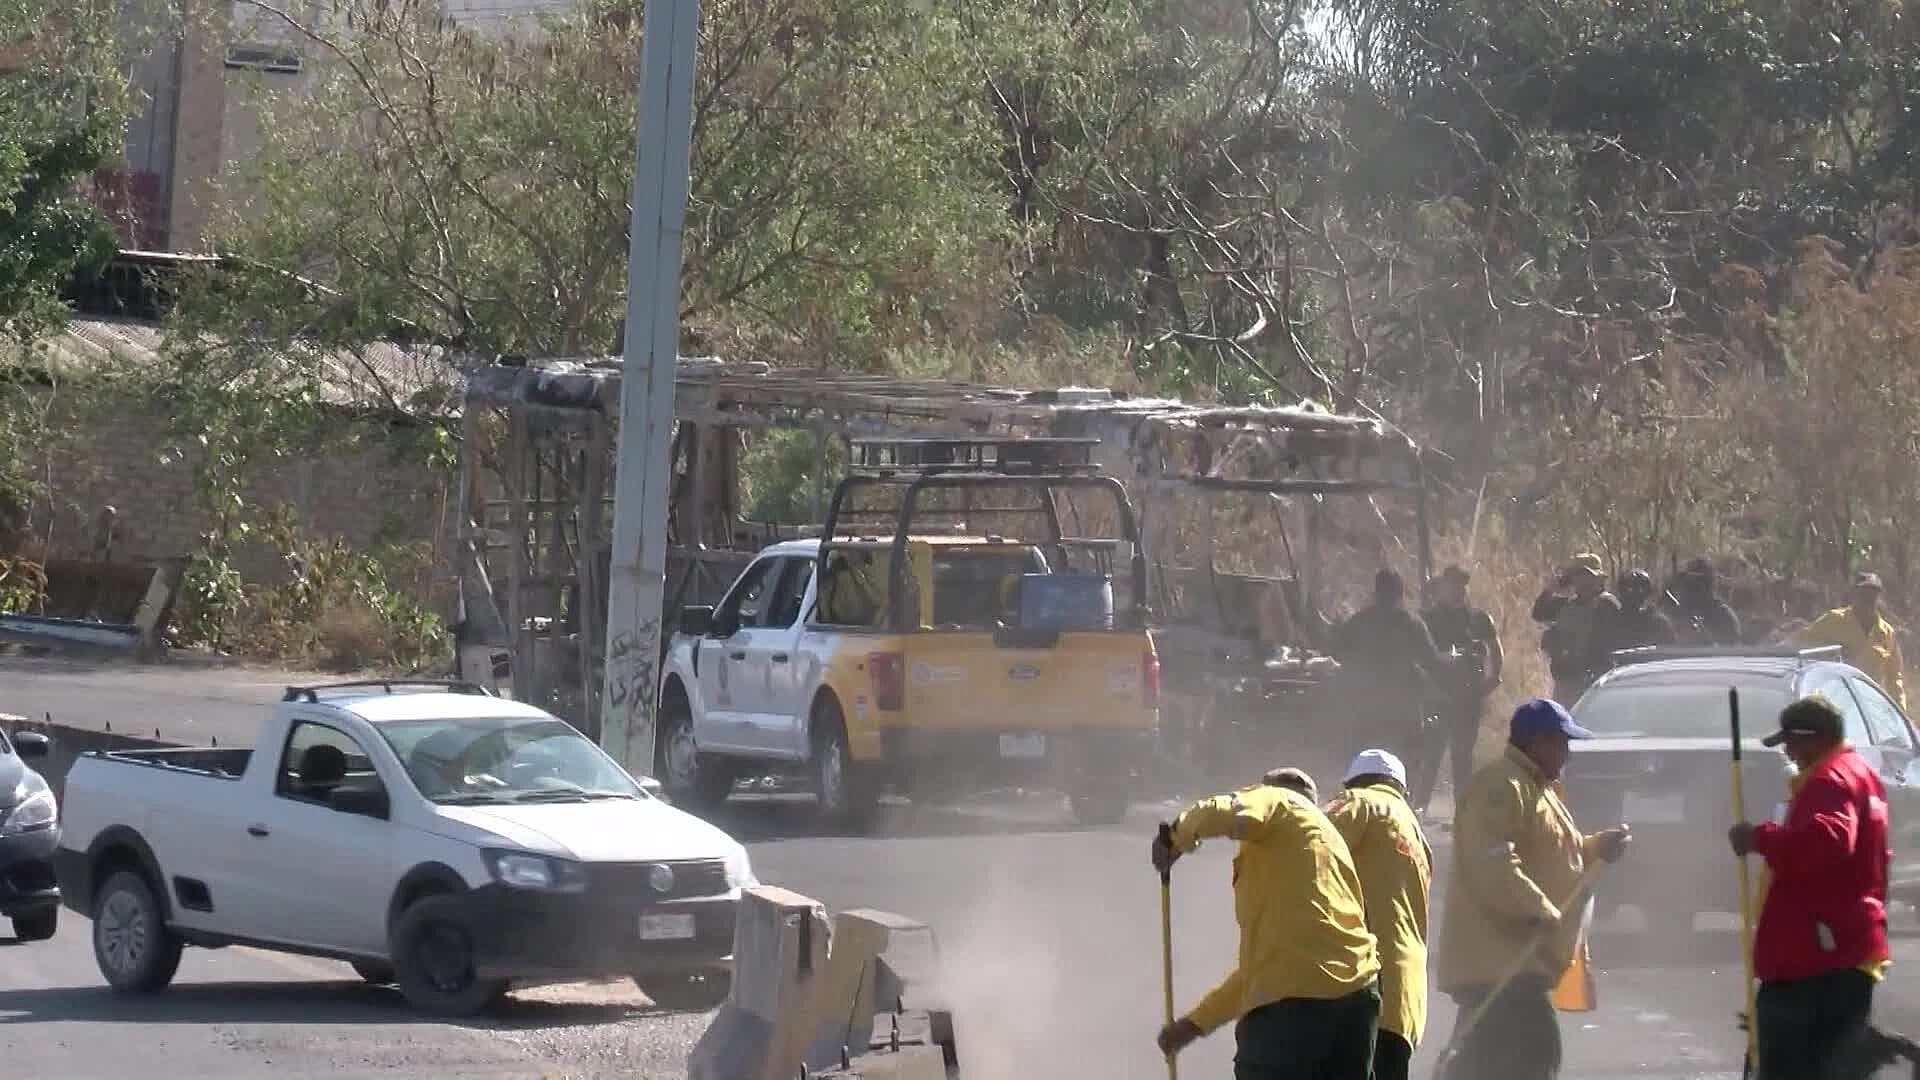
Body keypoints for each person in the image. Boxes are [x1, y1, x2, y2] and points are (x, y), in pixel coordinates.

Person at [1433, 699, 1632, 1080]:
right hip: (1501, 969)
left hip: (1523, 967)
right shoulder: (1502, 786)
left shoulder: (1538, 789)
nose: (1568, 754)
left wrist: (1595, 849)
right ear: (1538, 742)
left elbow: (1554, 858)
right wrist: (1540, 911)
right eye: (1562, 743)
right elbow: (1491, 864)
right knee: (1532, 1060)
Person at [1152, 775, 1382, 1079]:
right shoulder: (1329, 846)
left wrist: (1175, 838)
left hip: (1295, 1012)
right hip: (1359, 998)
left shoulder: (1280, 801)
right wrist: (1194, 1025)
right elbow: (1263, 972)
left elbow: (1222, 810)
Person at [1728, 696, 1891, 1079]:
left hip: (1814, 953)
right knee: (1832, 1061)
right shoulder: (1860, 773)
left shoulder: (1828, 780)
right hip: (1843, 943)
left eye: (1792, 742)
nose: (1788, 751)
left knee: (1793, 1066)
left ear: (1815, 739)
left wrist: (1760, 838)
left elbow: (1829, 842)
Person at [1324, 749, 1432, 1080]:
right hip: (1406, 999)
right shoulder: (1419, 838)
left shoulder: (1360, 801)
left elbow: (1306, 835)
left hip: (1362, 987)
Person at [1332, 568, 1446, 799]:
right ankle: (1403, 803)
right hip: (1404, 706)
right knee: (1408, 762)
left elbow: (1336, 650)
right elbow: (1432, 661)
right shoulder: (1412, 623)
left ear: (1376, 592)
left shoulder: (1360, 621)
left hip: (1367, 704)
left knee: (1362, 759)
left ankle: (1359, 803)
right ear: (1401, 593)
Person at [1420, 564, 1503, 809]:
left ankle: (1463, 809)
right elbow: (1419, 654)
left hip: (1468, 695)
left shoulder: (1478, 618)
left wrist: (1494, 677)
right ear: (1441, 587)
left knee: (1463, 755)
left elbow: (1495, 649)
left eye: (1461, 584)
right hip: (1438, 695)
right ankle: (1419, 806)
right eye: (1451, 584)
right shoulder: (1428, 619)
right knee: (1431, 754)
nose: (1457, 589)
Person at [1797, 572, 1907, 712]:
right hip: (1834, 703)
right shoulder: (1834, 620)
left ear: (1878, 597)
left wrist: (1901, 712)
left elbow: (1895, 679)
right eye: (1863, 593)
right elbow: (1801, 641)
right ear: (1853, 595)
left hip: (1868, 709)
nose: (1867, 598)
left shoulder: (1887, 633)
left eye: (1872, 594)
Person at [1532, 554, 1621, 706]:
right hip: (1567, 682)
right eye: (1577, 576)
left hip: (1597, 682)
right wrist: (1551, 589)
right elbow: (1539, 613)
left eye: (1587, 576)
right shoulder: (1566, 606)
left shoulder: (1607, 604)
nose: (1582, 582)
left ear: (1598, 579)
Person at [1666, 557, 1742, 645]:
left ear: (1708, 585)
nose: (1690, 589)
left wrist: (1703, 638)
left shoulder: (1724, 616)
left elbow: (1730, 653)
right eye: (1688, 583)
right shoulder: (1677, 614)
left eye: (1696, 584)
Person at [1608, 569, 1676, 654]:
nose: (1634, 595)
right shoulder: (1612, 620)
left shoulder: (1658, 622)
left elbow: (1668, 653)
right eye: (1630, 589)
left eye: (1639, 590)